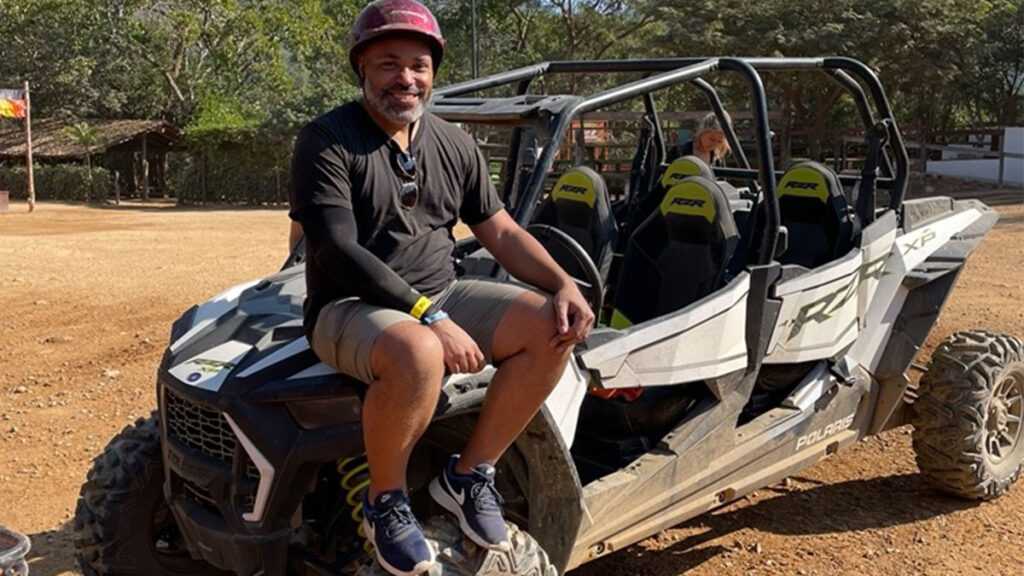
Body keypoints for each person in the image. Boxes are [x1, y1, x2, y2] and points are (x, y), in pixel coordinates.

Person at [287, 1, 594, 574]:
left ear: (433, 74)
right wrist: (429, 315)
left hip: (441, 294)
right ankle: (387, 501)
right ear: (362, 70)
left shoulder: (453, 144)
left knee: (552, 326)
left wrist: (563, 282)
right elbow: (336, 249)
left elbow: (499, 230)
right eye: (388, 64)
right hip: (348, 305)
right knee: (419, 351)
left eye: (418, 65)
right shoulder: (327, 140)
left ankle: (469, 473)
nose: (405, 77)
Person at [667, 112, 733, 166]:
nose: (714, 145)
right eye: (711, 139)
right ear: (702, 132)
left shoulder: (717, 160)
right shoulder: (678, 153)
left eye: (719, 142)